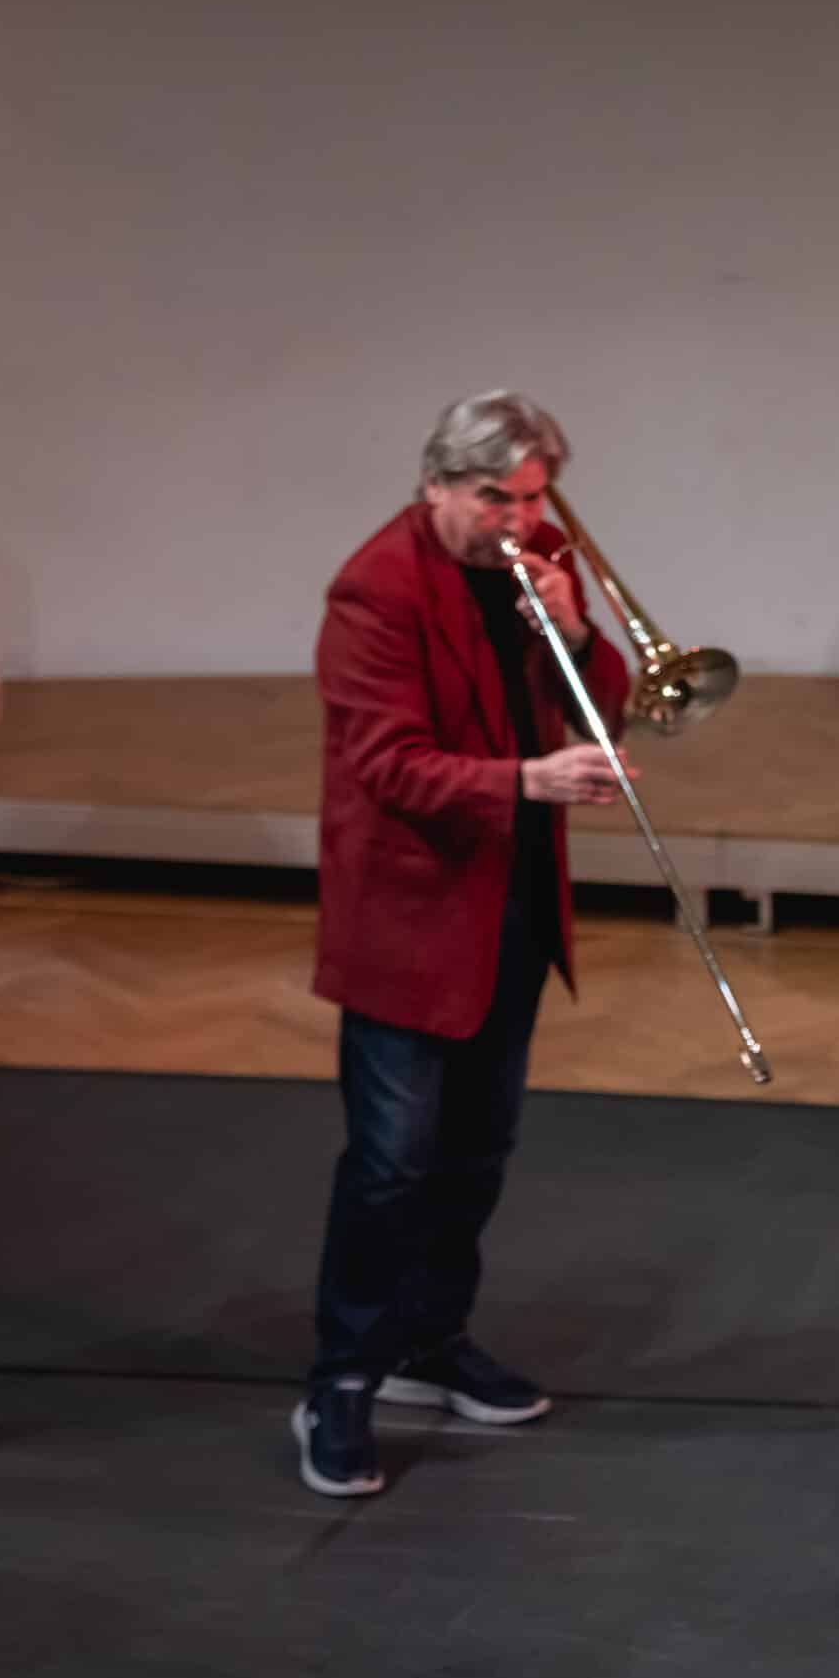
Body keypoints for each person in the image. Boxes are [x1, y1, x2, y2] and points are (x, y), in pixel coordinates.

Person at [294, 391, 630, 1498]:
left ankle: (428, 1342)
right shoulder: (374, 589)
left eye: (534, 497)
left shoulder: (541, 557)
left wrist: (574, 632)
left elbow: (609, 708)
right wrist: (528, 780)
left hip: (510, 906)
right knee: (391, 1162)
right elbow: (386, 763)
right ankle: (342, 1377)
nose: (520, 520)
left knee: (478, 1150)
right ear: (437, 483)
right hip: (411, 916)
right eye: (496, 497)